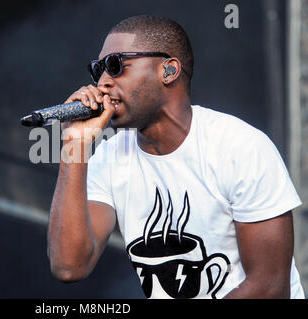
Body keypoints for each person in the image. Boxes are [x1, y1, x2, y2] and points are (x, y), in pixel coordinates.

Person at [47, 15, 305, 299]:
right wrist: (75, 145)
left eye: (116, 65)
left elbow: (270, 288)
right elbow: (69, 267)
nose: (103, 83)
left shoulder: (240, 148)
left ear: (168, 70)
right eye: (98, 70)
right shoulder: (109, 157)